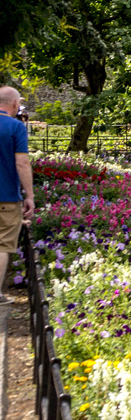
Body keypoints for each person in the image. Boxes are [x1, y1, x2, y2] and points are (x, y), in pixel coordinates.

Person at [0, 86, 34, 302]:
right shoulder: (15, 127)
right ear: (15, 104)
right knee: (3, 244)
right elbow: (21, 162)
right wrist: (29, 195)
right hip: (7, 196)